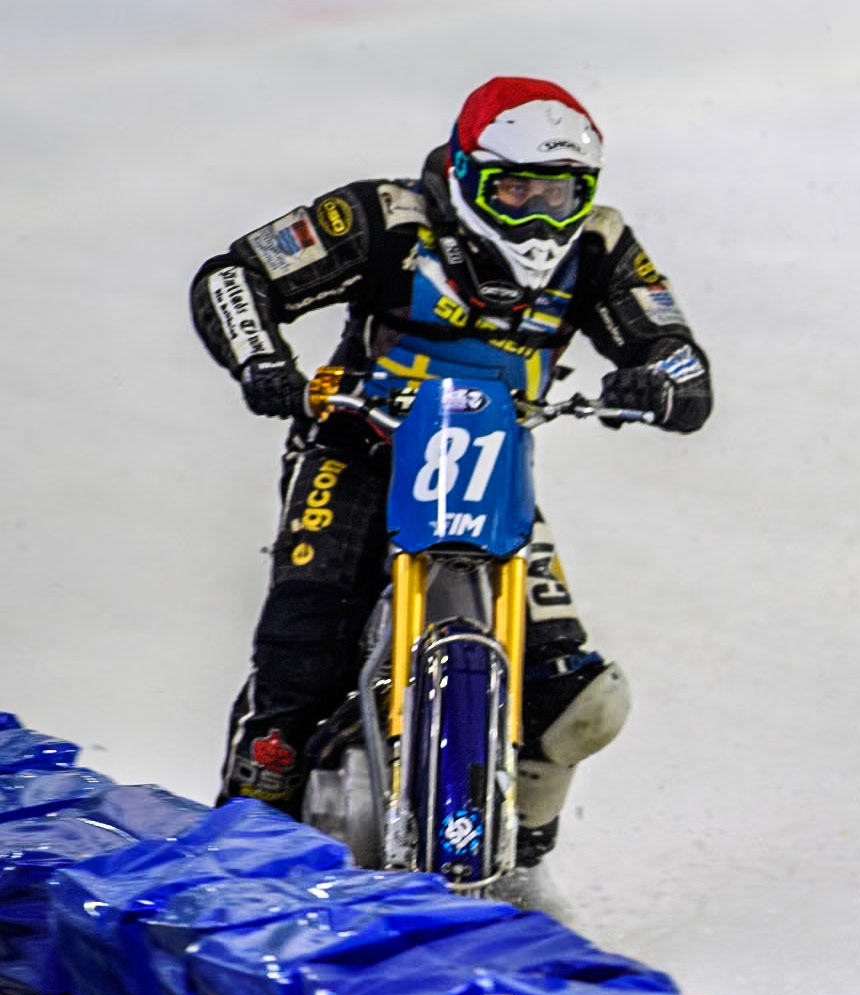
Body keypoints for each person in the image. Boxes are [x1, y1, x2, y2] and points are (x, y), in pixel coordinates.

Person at [191, 77, 713, 863]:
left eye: (559, 192)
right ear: (465, 174)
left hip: (488, 465)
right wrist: (263, 361)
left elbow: (678, 356)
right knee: (298, 662)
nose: (539, 215)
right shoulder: (385, 215)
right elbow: (234, 276)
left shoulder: (600, 242)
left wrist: (659, 382)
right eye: (516, 189)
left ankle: (524, 867)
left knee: (580, 703)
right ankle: (236, 850)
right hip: (355, 449)